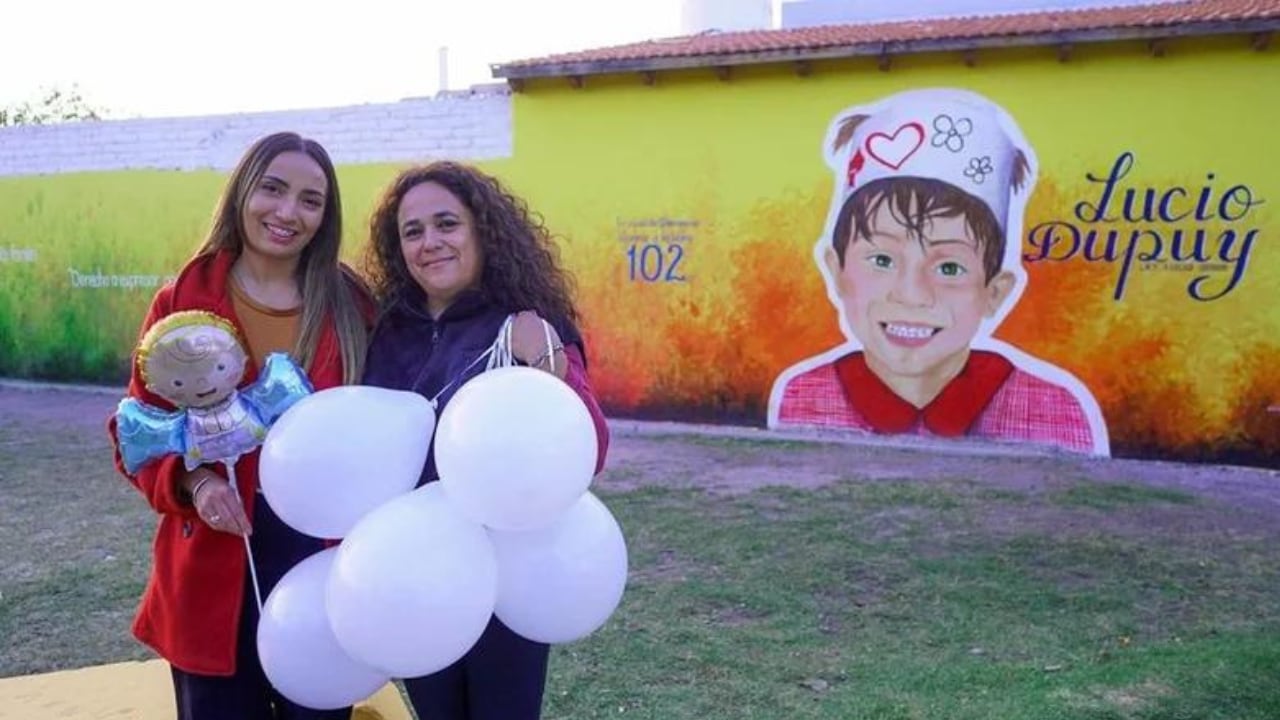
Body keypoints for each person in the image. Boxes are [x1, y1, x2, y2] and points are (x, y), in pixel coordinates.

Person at [107, 131, 372, 719]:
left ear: (325, 217)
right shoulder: (180, 302)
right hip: (213, 570)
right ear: (242, 193)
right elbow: (137, 435)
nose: (287, 212)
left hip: (323, 568)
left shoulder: (353, 306)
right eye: (272, 189)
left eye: (311, 199)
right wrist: (196, 484)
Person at [361, 161, 610, 720]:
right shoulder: (385, 330)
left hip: (508, 575)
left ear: (482, 231)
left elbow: (589, 445)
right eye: (413, 231)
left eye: (447, 224)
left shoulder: (525, 324)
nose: (430, 243)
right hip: (414, 570)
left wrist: (547, 362)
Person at [769, 88, 1109, 455]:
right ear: (837, 271)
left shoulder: (1054, 412)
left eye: (949, 267)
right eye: (882, 260)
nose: (912, 294)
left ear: (995, 292)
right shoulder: (802, 397)